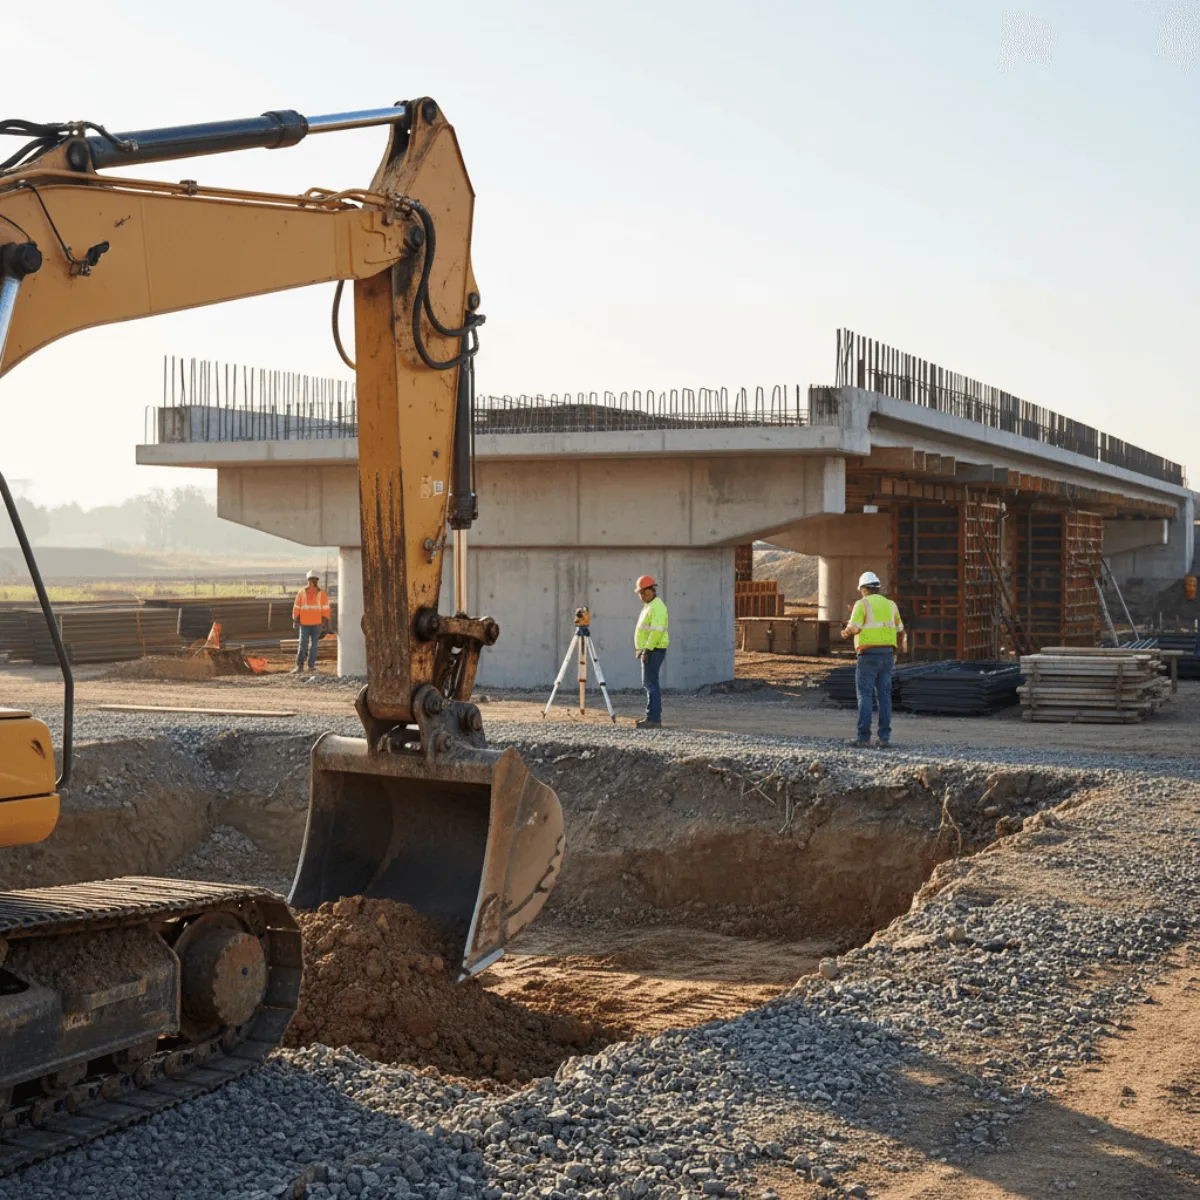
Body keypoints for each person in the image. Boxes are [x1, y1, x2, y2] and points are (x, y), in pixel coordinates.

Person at [840, 570, 906, 747]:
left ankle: (863, 738)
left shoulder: (861, 604)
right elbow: (900, 629)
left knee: (865, 695)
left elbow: (854, 628)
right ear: (877, 587)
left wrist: (845, 632)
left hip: (868, 655)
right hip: (887, 656)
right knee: (884, 697)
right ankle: (884, 738)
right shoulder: (891, 605)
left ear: (863, 588)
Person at [633, 574, 669, 727]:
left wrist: (647, 650)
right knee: (650, 684)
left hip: (654, 651)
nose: (640, 596)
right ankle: (652, 717)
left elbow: (656, 631)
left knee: (651, 684)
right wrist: (641, 648)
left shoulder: (657, 607)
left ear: (651, 590)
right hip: (649, 650)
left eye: (642, 592)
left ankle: (653, 719)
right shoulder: (649, 607)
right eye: (640, 593)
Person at [291, 569, 331, 674]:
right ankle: (305, 667)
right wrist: (325, 622)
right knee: (309, 645)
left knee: (307, 645)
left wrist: (295, 619)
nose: (312, 581)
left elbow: (325, 608)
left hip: (312, 624)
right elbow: (297, 607)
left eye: (313, 579)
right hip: (309, 624)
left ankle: (304, 667)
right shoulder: (304, 592)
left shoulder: (319, 593)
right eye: (311, 579)